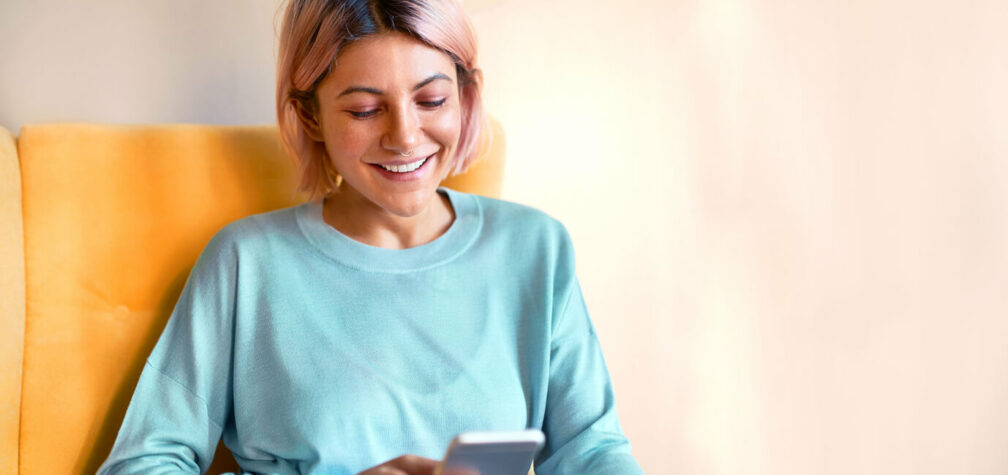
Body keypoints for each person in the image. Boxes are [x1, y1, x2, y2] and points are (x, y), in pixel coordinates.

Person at [98, 1, 643, 473]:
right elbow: (141, 463)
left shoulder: (535, 250)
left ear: (466, 96)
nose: (405, 137)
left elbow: (591, 451)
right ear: (309, 116)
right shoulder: (246, 264)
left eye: (431, 101)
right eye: (364, 109)